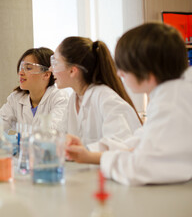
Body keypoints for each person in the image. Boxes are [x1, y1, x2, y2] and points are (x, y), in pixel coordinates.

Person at [65, 23, 192, 185]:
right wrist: (88, 154)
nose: (119, 74)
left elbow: (140, 168)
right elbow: (140, 141)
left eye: (124, 67)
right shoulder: (171, 93)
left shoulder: (172, 102)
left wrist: (100, 159)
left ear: (147, 72)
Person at [51, 37, 142, 151]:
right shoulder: (74, 99)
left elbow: (122, 145)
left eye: (55, 63)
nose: (51, 69)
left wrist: (85, 151)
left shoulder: (105, 97)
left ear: (72, 71)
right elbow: (60, 135)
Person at [0, 47, 69, 146]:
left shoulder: (59, 97)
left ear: (46, 74)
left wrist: (15, 139)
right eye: (21, 68)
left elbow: (50, 136)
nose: (21, 73)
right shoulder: (16, 98)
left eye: (28, 68)